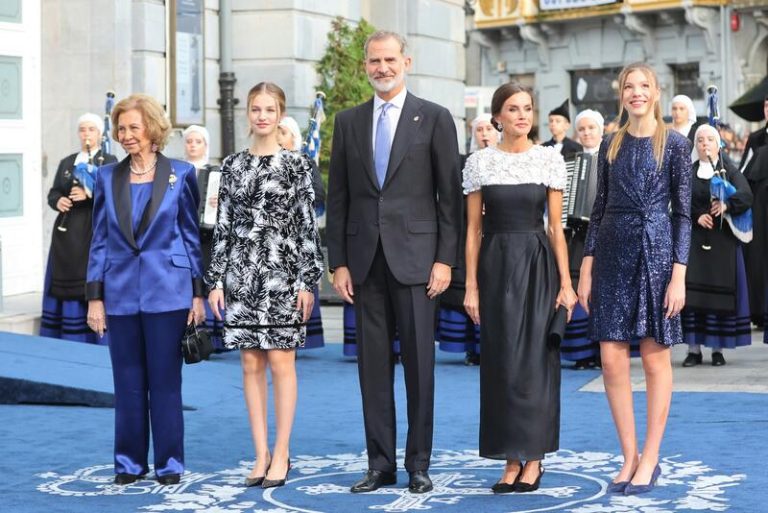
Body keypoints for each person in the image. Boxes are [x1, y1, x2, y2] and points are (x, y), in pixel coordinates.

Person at [326, 31, 461, 494]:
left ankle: (418, 463)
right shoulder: (348, 123)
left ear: (406, 61)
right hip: (364, 264)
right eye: (374, 61)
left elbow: (450, 200)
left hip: (419, 263)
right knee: (372, 368)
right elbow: (338, 197)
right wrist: (338, 263)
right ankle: (379, 464)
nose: (382, 68)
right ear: (366, 66)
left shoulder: (436, 119)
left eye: (390, 60)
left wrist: (446, 260)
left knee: (420, 368)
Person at [578, 63, 692, 495]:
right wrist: (586, 267)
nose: (637, 93)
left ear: (658, 92)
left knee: (653, 357)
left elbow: (683, 215)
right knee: (610, 358)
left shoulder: (676, 146)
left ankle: (651, 456)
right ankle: (628, 455)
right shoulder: (610, 143)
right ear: (621, 94)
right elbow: (598, 209)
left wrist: (678, 275)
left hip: (658, 254)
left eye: (645, 86)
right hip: (610, 254)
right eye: (630, 86)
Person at [206, 82, 323, 489]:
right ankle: (260, 454)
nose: (261, 116)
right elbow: (222, 227)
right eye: (255, 109)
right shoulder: (232, 165)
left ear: (279, 113)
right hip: (241, 274)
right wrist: (216, 279)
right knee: (250, 362)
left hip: (284, 275)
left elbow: (307, 226)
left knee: (280, 361)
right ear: (248, 114)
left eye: (269, 109)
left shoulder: (297, 165)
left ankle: (283, 452)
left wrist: (309, 279)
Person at [85, 94, 206, 485]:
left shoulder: (182, 174)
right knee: (128, 383)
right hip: (119, 294)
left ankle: (169, 464)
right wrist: (95, 298)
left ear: (153, 129)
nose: (125, 135)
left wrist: (197, 293)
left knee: (166, 383)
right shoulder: (107, 177)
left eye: (133, 127)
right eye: (121, 128)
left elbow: (190, 237)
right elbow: (99, 240)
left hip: (168, 292)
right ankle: (129, 464)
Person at [463, 83, 576, 494]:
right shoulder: (479, 163)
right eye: (513, 109)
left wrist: (567, 283)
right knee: (500, 364)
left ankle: (536, 457)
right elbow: (473, 231)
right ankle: (511, 458)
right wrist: (471, 286)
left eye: (527, 109)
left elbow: (556, 229)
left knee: (533, 364)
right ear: (498, 116)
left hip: (536, 265)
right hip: (494, 267)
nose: (522, 116)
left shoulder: (549, 160)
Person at [41, 113, 117, 343]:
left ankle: (96, 333)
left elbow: (115, 195)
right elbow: (54, 191)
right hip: (67, 233)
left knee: (89, 275)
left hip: (93, 229)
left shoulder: (109, 160)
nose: (86, 134)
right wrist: (58, 201)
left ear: (99, 134)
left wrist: (89, 194)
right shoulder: (68, 161)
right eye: (82, 129)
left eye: (91, 130)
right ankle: (65, 332)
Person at [682, 124, 752, 367]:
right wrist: (695, 216)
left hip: (722, 245)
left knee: (718, 298)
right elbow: (676, 204)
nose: (704, 144)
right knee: (693, 297)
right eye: (700, 140)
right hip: (694, 244)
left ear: (718, 144)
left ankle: (717, 350)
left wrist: (726, 206)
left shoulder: (728, 171)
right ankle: (693, 350)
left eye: (709, 140)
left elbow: (746, 195)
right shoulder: (687, 173)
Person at [437, 113, 499, 365]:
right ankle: (471, 347)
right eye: (479, 129)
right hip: (470, 231)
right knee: (468, 287)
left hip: (498, 232)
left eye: (489, 129)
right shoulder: (465, 163)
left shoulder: (508, 159)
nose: (484, 133)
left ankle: (495, 345)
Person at [560, 109, 605, 370]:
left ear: (601, 130)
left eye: (591, 128)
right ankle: (581, 351)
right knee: (579, 288)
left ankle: (603, 350)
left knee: (602, 290)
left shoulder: (612, 157)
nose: (587, 133)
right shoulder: (570, 161)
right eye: (583, 129)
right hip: (578, 235)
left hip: (605, 235)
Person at [277, 115, 325, 349]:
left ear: (294, 138)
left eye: (283, 132)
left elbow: (318, 193)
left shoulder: (305, 162)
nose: (278, 137)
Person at [183, 124, 225, 351]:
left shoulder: (214, 172)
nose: (193, 146)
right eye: (189, 141)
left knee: (207, 278)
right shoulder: (176, 170)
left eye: (198, 142)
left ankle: (212, 337)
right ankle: (187, 332)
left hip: (207, 236)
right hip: (182, 234)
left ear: (205, 146)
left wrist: (219, 203)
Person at [740, 96, 768, 325]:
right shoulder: (756, 138)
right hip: (760, 205)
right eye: (767, 105)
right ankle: (759, 310)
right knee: (759, 257)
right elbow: (744, 171)